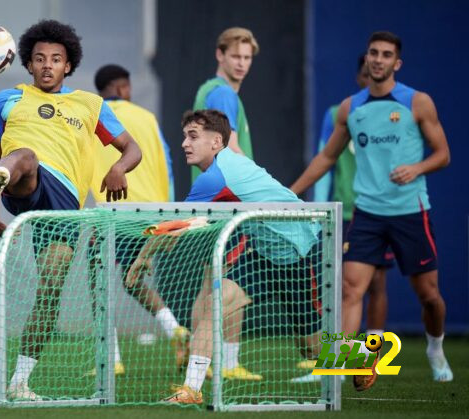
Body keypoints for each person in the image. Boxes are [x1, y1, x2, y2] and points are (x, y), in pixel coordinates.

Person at [0, 20, 142, 401]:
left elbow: (131, 148)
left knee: (50, 289)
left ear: (69, 66)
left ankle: (19, 382)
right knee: (25, 157)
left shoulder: (89, 104)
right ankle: (12, 171)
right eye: (39, 59)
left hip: (65, 206)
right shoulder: (6, 99)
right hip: (25, 184)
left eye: (56, 59)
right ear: (28, 65)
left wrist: (118, 167)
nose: (47, 65)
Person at [291, 31, 453, 391]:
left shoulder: (417, 103)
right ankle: (341, 371)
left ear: (397, 63)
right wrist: (291, 191)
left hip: (411, 212)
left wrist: (417, 168)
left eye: (385, 55)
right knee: (350, 290)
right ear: (366, 59)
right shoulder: (351, 108)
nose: (377, 59)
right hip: (367, 214)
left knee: (430, 297)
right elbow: (327, 156)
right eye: (372, 53)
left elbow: (444, 155)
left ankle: (435, 349)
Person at [127, 110, 322, 404]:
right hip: (260, 254)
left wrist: (140, 261)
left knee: (310, 348)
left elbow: (175, 227)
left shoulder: (216, 178)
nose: (184, 143)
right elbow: (185, 225)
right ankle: (191, 390)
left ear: (217, 142)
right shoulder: (220, 169)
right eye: (184, 136)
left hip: (300, 251)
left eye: (193, 136)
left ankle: (364, 354)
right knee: (213, 304)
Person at [292, 55, 393, 382]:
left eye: (375, 72)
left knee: (377, 284)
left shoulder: (397, 116)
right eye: (365, 72)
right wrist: (319, 210)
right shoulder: (339, 114)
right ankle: (335, 361)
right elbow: (325, 162)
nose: (370, 78)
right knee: (338, 288)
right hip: (345, 214)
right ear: (359, 76)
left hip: (381, 212)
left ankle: (374, 353)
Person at [88, 64, 188, 375]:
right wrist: (168, 217)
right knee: (134, 282)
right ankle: (176, 330)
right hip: (148, 213)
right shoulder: (147, 118)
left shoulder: (92, 116)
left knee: (97, 283)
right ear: (122, 88)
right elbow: (166, 164)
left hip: (111, 211)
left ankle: (112, 358)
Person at [191, 27, 259, 183]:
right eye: (236, 56)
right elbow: (230, 150)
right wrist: (261, 186)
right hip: (225, 201)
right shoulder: (223, 93)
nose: (241, 63)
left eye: (247, 57)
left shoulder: (208, 89)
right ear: (219, 55)